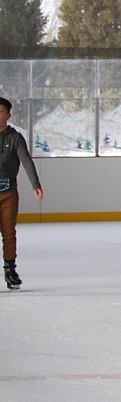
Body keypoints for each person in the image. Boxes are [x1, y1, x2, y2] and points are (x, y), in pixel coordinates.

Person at [0, 96, 43, 291]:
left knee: (8, 233)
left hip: (8, 192)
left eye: (0, 112)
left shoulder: (15, 137)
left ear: (8, 115)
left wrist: (35, 183)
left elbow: (26, 161)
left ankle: (10, 270)